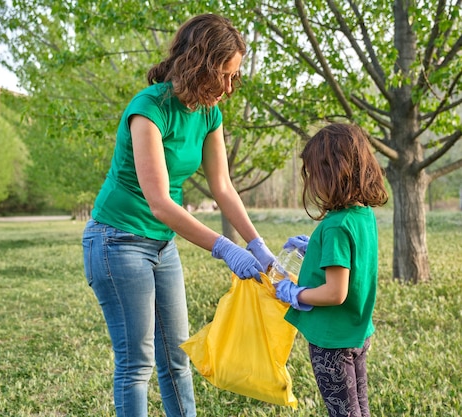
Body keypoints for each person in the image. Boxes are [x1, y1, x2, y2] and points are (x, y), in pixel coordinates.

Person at [82, 13, 275, 417]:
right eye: (222, 74)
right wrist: (224, 248)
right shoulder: (148, 109)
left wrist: (257, 245)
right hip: (117, 241)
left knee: (176, 357)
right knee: (138, 363)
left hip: (161, 245)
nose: (227, 87)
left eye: (233, 77)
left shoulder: (209, 113)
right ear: (196, 64)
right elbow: (160, 203)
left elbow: (222, 186)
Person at [275, 123, 389, 417]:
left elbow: (335, 292)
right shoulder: (362, 215)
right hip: (357, 332)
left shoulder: (336, 225)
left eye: (314, 173)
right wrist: (313, 246)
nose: (311, 182)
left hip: (331, 343)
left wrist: (296, 294)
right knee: (359, 410)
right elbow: (354, 262)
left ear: (333, 172)